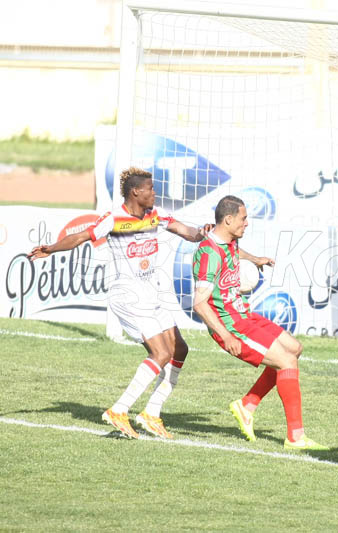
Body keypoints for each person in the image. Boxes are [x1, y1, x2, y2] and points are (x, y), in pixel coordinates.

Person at [28, 167, 213, 439]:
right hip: (128, 295)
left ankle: (152, 412)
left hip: (153, 294)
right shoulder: (113, 218)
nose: (154, 192)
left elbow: (186, 231)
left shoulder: (156, 215)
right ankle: (119, 409)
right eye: (150, 188)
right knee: (161, 354)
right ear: (136, 191)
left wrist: (203, 232)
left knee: (180, 349)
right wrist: (51, 249)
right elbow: (81, 237)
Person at [192, 195, 328, 450]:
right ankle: (295, 437)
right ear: (229, 219)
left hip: (244, 315)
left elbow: (235, 252)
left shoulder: (229, 241)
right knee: (286, 361)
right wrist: (227, 336)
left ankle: (247, 405)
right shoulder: (208, 252)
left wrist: (255, 260)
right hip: (230, 326)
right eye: (243, 218)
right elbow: (199, 304)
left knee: (294, 348)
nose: (247, 223)